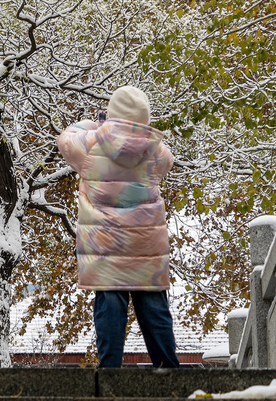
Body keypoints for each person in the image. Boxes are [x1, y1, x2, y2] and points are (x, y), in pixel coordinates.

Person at [57, 85, 180, 369]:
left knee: (110, 303)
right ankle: (170, 373)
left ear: (112, 115)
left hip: (105, 244)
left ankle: (109, 371)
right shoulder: (155, 150)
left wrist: (98, 124)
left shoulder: (91, 144)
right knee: (153, 307)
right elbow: (168, 162)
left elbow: (66, 138)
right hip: (145, 245)